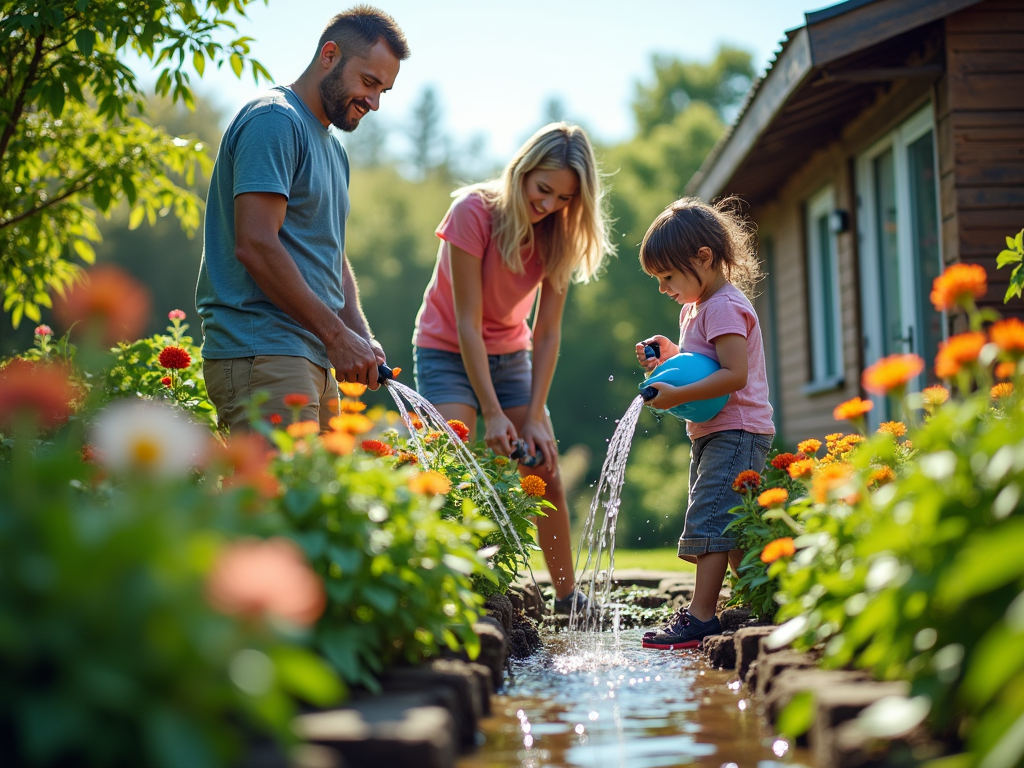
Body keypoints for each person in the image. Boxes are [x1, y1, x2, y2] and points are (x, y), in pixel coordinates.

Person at [412, 123, 615, 612]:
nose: (548, 205)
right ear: (522, 171)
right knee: (455, 464)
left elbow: (546, 333)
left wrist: (534, 413)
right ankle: (448, 591)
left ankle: (567, 597)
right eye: (543, 189)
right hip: (447, 351)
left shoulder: (558, 235)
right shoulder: (472, 212)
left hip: (512, 356)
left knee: (543, 465)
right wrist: (493, 411)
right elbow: (465, 323)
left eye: (564, 198)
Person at [196, 7, 409, 433]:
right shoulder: (275, 120)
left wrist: (358, 335)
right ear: (329, 55)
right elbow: (255, 243)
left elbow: (331, 256)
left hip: (312, 358)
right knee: (274, 500)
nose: (375, 102)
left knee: (312, 500)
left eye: (383, 90)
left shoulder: (334, 150)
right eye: (369, 82)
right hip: (264, 352)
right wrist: (336, 337)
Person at [634, 197, 774, 650]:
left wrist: (675, 395)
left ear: (704, 258)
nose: (662, 288)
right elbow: (705, 364)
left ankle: (701, 618)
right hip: (717, 430)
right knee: (733, 529)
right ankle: (766, 600)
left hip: (738, 430)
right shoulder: (695, 308)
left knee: (711, 518)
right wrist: (671, 356)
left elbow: (733, 376)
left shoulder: (724, 306)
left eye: (668, 276)